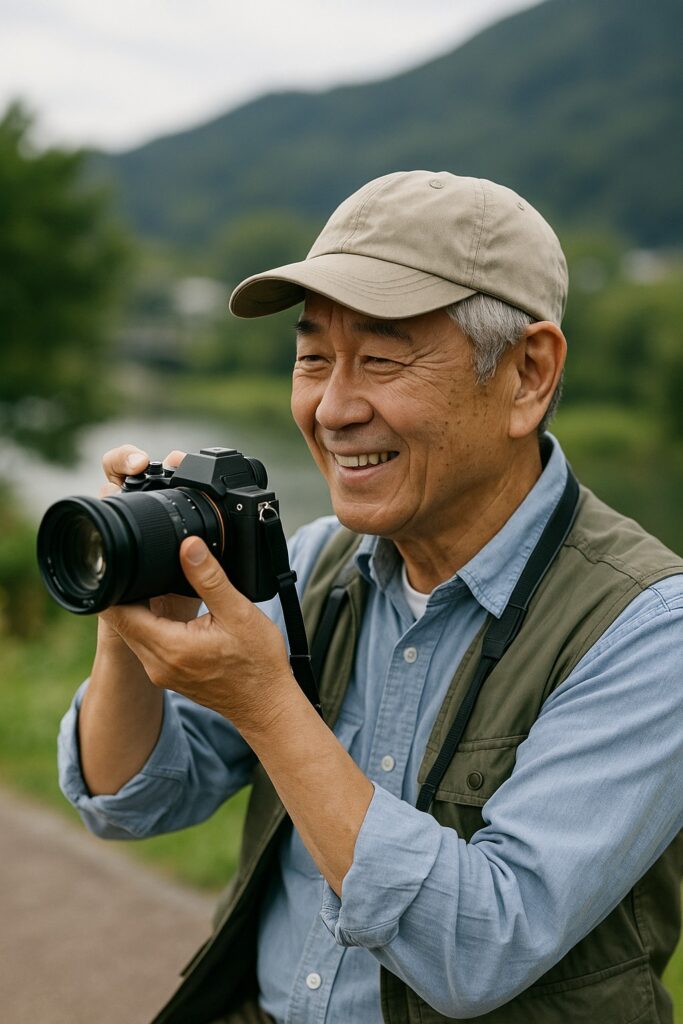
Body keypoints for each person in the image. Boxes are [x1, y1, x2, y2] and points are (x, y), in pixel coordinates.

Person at [58, 171, 683, 1024]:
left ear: (528, 374)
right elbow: (130, 801)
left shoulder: (648, 628)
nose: (333, 407)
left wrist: (269, 704)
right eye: (312, 357)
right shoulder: (315, 566)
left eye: (382, 358)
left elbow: (481, 948)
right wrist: (128, 598)